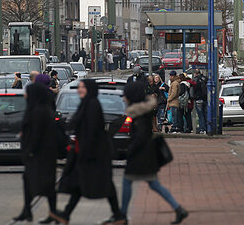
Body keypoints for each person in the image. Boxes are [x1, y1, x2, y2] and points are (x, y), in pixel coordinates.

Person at [57, 79, 125, 224]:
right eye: (79, 87)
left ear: (90, 89)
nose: (79, 90)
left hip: (94, 154)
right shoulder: (86, 104)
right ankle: (66, 214)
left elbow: (93, 131)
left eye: (83, 87)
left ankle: (118, 215)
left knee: (102, 184)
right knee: (81, 183)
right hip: (88, 152)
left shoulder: (92, 105)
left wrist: (85, 152)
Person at [119, 82, 188, 224]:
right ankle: (178, 209)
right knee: (153, 184)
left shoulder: (137, 113)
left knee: (128, 181)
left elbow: (140, 136)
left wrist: (130, 150)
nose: (123, 97)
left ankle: (123, 215)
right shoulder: (142, 110)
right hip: (146, 155)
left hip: (140, 156)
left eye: (125, 95)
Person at [15, 82, 65, 224]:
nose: (25, 96)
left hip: (40, 156)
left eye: (27, 93)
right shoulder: (42, 109)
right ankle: (29, 210)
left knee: (40, 183)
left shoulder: (38, 112)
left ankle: (50, 212)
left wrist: (29, 151)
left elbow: (37, 134)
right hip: (44, 155)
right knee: (36, 183)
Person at [191, 70, 208, 134]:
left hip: (198, 99)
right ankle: (207, 128)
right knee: (205, 114)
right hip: (205, 99)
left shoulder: (195, 80)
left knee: (200, 115)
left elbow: (193, 90)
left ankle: (202, 129)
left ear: (195, 73)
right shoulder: (205, 78)